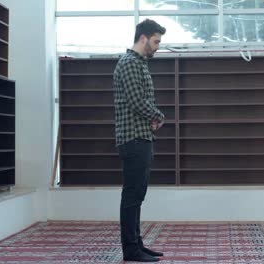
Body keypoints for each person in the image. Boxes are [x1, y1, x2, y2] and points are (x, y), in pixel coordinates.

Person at [113, 19, 166, 262]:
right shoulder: (129, 64)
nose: (157, 46)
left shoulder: (139, 64)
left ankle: (137, 245)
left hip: (141, 136)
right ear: (143, 38)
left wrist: (151, 119)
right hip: (133, 139)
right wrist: (158, 116)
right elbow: (137, 102)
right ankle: (131, 249)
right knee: (132, 195)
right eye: (156, 41)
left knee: (137, 195)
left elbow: (141, 102)